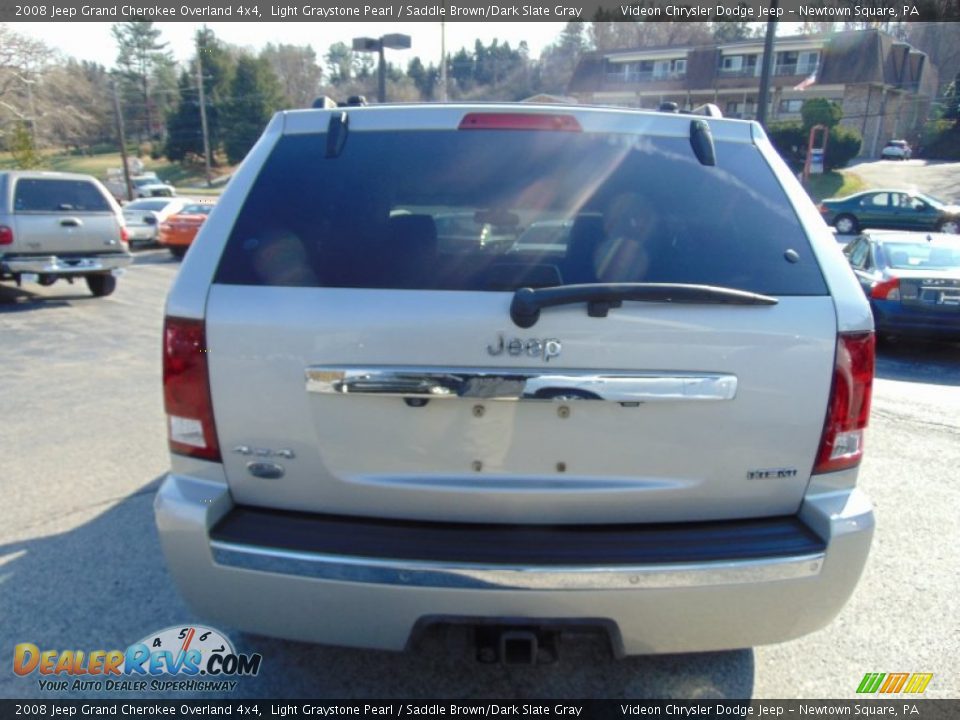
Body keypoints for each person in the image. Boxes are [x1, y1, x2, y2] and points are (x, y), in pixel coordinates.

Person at [593, 192, 657, 283]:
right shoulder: (579, 266)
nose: (634, 225)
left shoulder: (667, 264)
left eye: (638, 218)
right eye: (622, 219)